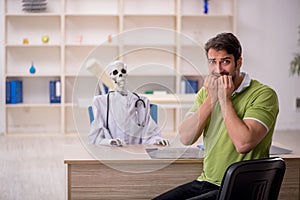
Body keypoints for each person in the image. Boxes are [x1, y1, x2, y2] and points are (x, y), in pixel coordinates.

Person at [152, 32, 279, 200]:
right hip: (206, 181)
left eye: (225, 62)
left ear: (238, 62)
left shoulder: (264, 94)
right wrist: (212, 99)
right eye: (213, 62)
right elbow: (186, 137)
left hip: (241, 187)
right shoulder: (207, 93)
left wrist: (224, 99)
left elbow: (243, 143)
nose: (218, 70)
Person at [89, 60, 169, 146]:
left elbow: (148, 130)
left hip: (137, 150)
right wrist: (109, 142)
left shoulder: (141, 101)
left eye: (123, 72)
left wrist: (156, 140)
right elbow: (97, 137)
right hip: (113, 152)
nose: (120, 75)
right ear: (111, 76)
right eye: (115, 72)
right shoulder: (101, 102)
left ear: (126, 74)